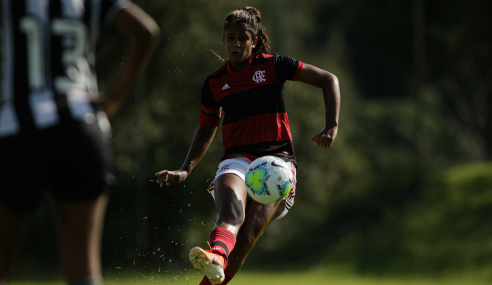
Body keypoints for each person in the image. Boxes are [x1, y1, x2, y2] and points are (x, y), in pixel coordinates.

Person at [155, 6, 339, 285]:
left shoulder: (274, 65)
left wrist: (331, 125)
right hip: (237, 160)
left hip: (277, 163)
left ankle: (218, 262)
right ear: (224, 40)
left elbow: (328, 79)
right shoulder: (215, 83)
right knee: (230, 210)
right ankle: (216, 253)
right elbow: (207, 129)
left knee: (245, 240)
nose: (236, 43)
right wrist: (185, 169)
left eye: (243, 37)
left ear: (254, 40)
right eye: (230, 38)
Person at [0, 1, 159, 285]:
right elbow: (146, 30)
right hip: (83, 127)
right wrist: (114, 98)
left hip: (20, 130)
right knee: (83, 263)